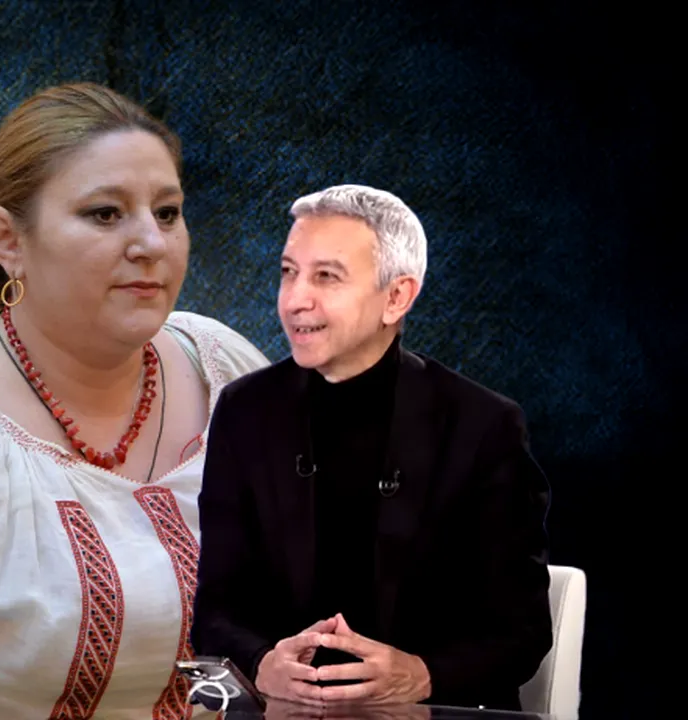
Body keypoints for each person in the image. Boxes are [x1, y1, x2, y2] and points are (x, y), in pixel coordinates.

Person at [0, 82, 270, 719]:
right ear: (8, 240)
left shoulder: (225, 369)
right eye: (105, 213)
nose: (152, 243)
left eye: (167, 212)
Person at [190, 184, 553, 712]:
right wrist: (262, 662)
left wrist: (422, 674)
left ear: (397, 297)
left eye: (326, 277)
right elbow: (216, 612)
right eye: (289, 272)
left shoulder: (483, 425)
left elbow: (521, 631)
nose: (294, 299)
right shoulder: (245, 410)